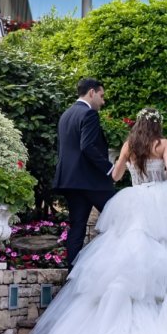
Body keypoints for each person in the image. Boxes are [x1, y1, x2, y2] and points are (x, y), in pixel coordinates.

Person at [12, 108, 167, 334]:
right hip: (162, 198)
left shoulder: (130, 145)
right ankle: (162, 301)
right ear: (157, 125)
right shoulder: (163, 144)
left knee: (128, 246)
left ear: (138, 125)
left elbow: (115, 175)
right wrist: (161, 171)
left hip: (135, 200)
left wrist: (128, 168)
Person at [53, 78, 116, 267]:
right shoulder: (89, 114)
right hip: (91, 181)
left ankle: (72, 274)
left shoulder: (66, 114)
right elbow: (87, 146)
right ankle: (114, 266)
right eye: (101, 96)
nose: (103, 101)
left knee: (77, 227)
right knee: (120, 218)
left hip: (70, 181)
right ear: (91, 92)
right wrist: (110, 168)